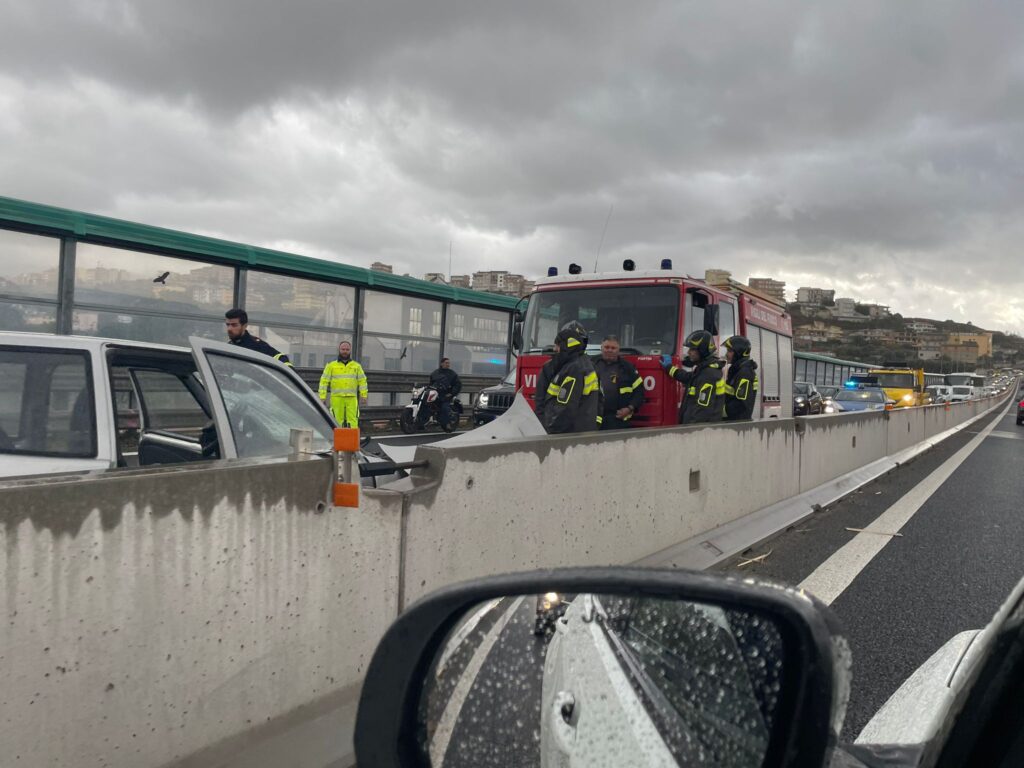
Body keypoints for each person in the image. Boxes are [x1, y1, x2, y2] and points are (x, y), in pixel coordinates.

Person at [540, 321, 602, 434]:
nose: (554, 349)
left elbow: (566, 407)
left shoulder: (574, 368)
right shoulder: (583, 364)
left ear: (564, 345)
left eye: (557, 345)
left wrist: (551, 429)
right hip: (580, 430)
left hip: (569, 432)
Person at [661, 330, 725, 424]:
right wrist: (669, 368)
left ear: (702, 350)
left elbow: (702, 411)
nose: (689, 352)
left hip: (698, 432)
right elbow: (688, 377)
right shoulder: (703, 370)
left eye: (692, 349)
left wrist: (689, 432)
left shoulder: (708, 375)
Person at [594, 336, 644, 430]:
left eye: (613, 348)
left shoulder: (627, 368)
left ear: (618, 350)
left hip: (617, 419)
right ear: (601, 348)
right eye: (607, 347)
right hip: (594, 418)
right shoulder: (591, 364)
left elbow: (639, 392)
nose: (610, 350)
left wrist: (629, 408)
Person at [318, 341, 368, 428]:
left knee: (353, 420)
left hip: (352, 398)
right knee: (336, 420)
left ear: (350, 351)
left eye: (347, 349)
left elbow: (362, 381)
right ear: (339, 350)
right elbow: (323, 382)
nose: (345, 351)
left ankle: (352, 440)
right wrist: (322, 397)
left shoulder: (356, 366)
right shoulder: (331, 366)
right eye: (343, 349)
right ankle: (338, 440)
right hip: (337, 398)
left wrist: (364, 395)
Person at [224, 308, 292, 365]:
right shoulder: (229, 347)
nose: (229, 329)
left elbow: (280, 358)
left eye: (234, 325)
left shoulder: (257, 346)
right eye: (228, 325)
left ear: (244, 326)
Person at [722, 335, 759, 421]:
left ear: (739, 352)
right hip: (734, 422)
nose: (726, 354)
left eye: (730, 351)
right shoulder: (738, 370)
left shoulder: (744, 373)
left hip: (737, 425)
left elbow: (740, 404)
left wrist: (719, 410)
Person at [419, 357, 462, 429]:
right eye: (446, 363)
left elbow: (458, 385)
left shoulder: (453, 374)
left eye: (448, 363)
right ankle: (421, 423)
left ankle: (447, 423)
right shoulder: (435, 373)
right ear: (441, 364)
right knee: (424, 404)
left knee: (444, 407)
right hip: (435, 393)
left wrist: (451, 393)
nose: (448, 364)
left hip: (446, 394)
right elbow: (431, 384)